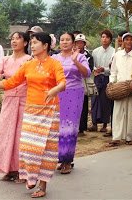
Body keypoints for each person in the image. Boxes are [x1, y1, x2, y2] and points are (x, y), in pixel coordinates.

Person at [0, 32, 66, 198]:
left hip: (50, 111)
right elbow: (9, 83)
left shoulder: (54, 64)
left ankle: (42, 185)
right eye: (31, 42)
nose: (32, 45)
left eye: (36, 42)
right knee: (27, 146)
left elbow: (62, 83)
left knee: (46, 149)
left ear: (45, 46)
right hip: (31, 110)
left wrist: (55, 89)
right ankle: (30, 176)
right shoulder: (28, 65)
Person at [0, 32, 32, 182]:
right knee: (6, 135)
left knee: (21, 136)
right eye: (12, 38)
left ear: (25, 43)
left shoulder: (29, 60)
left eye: (17, 38)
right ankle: (9, 169)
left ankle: (22, 170)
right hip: (9, 100)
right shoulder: (5, 59)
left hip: (24, 100)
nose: (14, 41)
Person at [52, 32, 90, 174]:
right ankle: (60, 158)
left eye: (68, 40)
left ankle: (68, 160)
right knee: (58, 127)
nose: (65, 42)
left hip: (74, 93)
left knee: (71, 127)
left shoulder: (80, 56)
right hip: (58, 93)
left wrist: (76, 61)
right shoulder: (54, 58)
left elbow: (87, 73)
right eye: (62, 40)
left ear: (73, 43)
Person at [108, 33, 132, 147]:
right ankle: (116, 137)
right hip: (119, 87)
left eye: (131, 40)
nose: (129, 42)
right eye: (127, 40)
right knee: (117, 112)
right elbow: (113, 71)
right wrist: (111, 82)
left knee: (130, 112)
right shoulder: (117, 55)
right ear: (123, 42)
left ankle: (129, 137)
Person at [88, 29, 115, 133]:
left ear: (110, 40)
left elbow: (113, 67)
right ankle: (94, 123)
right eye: (103, 37)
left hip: (107, 78)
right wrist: (96, 69)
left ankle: (104, 124)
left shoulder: (114, 52)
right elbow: (92, 64)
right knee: (95, 100)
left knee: (105, 101)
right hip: (97, 78)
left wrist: (104, 69)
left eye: (107, 37)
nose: (104, 39)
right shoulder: (95, 51)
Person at [74, 33, 94, 135]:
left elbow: (89, 69)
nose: (79, 44)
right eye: (77, 42)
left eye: (81, 42)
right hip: (72, 82)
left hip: (83, 82)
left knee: (84, 105)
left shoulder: (89, 56)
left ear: (84, 44)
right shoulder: (71, 54)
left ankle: (82, 127)